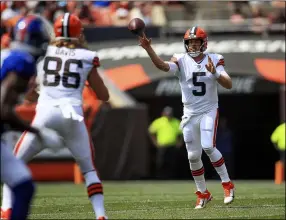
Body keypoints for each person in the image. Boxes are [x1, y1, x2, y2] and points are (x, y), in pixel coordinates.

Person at [1, 13, 109, 220]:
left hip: (46, 114)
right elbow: (103, 95)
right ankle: (100, 216)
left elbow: (31, 93)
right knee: (89, 170)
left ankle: (6, 212)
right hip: (73, 115)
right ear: (79, 32)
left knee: (14, 163)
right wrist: (82, 81)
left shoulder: (40, 53)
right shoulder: (87, 56)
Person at [138, 26, 235, 209]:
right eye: (190, 42)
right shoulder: (180, 59)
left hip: (208, 109)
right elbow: (163, 66)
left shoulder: (215, 58)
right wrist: (149, 49)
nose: (192, 45)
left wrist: (214, 72)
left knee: (208, 146)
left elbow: (228, 84)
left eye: (196, 42)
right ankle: (203, 193)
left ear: (203, 43)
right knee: (192, 156)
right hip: (189, 112)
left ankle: (227, 184)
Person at [0, 15, 62, 220]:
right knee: (23, 187)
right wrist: (39, 132)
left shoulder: (8, 55)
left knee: (23, 186)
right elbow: (3, 110)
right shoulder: (22, 61)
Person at [149, 106, 183, 179]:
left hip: (172, 146)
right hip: (162, 146)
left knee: (172, 163)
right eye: (167, 114)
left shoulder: (176, 122)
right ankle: (160, 177)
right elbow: (151, 132)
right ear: (163, 113)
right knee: (160, 162)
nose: (168, 115)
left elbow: (181, 134)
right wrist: (155, 143)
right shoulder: (158, 122)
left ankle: (172, 177)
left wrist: (179, 143)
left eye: (169, 114)